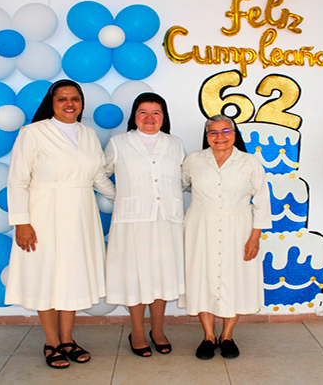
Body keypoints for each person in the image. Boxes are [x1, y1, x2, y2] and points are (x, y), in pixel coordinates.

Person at [5, 79, 115, 369]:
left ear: (81, 103)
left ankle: (68, 339)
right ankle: (51, 342)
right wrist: (21, 222)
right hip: (44, 214)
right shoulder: (33, 133)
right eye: (62, 99)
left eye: (75, 99)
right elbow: (17, 180)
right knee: (47, 276)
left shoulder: (88, 134)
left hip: (81, 215)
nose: (70, 104)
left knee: (73, 276)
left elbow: (97, 177)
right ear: (51, 104)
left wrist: (125, 199)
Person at [181, 114, 272, 360]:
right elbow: (181, 186)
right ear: (206, 136)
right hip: (201, 226)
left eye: (225, 131)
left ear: (234, 134)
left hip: (239, 226)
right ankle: (208, 337)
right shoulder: (193, 161)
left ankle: (227, 336)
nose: (219, 137)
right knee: (203, 278)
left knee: (236, 279)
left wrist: (255, 237)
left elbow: (262, 200)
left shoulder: (249, 162)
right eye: (213, 132)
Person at [104, 92, 186, 357]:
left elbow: (184, 177)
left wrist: (171, 194)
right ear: (134, 116)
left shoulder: (175, 144)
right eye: (143, 112)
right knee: (135, 276)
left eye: (156, 113)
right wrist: (120, 196)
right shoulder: (118, 143)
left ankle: (158, 330)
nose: (149, 118)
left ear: (164, 117)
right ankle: (137, 332)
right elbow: (98, 174)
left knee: (163, 274)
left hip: (167, 220)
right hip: (132, 222)